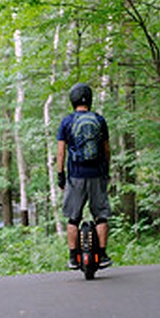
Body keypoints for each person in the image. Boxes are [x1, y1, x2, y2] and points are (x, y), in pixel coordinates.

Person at [56, 82, 112, 269]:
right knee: (101, 216)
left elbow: (61, 152)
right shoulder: (99, 120)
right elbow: (106, 150)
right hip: (97, 174)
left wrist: (60, 174)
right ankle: (102, 255)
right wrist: (106, 171)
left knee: (73, 217)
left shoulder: (67, 122)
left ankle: (73, 257)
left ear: (72, 100)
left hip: (76, 176)